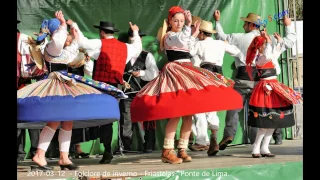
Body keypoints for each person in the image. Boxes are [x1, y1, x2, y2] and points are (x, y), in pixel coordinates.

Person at [130, 6, 243, 164]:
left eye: (181, 21)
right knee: (177, 112)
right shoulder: (169, 35)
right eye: (176, 20)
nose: (179, 23)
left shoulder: (182, 35)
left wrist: (194, 33)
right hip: (175, 72)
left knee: (189, 113)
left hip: (187, 70)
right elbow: (181, 39)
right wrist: (189, 26)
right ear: (169, 21)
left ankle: (182, 148)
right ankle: (167, 150)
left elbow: (188, 45)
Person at [17, 11, 127, 171]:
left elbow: (72, 53)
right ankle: (39, 155)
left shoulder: (59, 49)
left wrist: (75, 34)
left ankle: (64, 157)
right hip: (55, 84)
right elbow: (59, 41)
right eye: (62, 31)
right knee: (54, 120)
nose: (66, 33)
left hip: (65, 83)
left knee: (67, 121)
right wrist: (62, 24)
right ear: (56, 32)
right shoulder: (52, 46)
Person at [213, 10, 296, 150]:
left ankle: (229, 133)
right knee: (261, 110)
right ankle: (268, 138)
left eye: (245, 23)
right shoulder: (271, 39)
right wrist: (288, 25)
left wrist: (217, 21)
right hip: (263, 82)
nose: (243, 25)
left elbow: (221, 37)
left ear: (251, 25)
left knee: (234, 106)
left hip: (243, 78)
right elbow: (289, 42)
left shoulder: (239, 38)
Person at [76, 20, 142, 164]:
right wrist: (135, 32)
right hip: (115, 88)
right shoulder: (125, 47)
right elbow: (138, 47)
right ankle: (107, 149)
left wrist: (74, 25)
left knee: (102, 118)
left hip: (101, 87)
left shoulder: (100, 44)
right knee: (109, 118)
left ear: (101, 32)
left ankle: (106, 149)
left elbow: (82, 42)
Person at [189, 20, 242, 156]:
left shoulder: (199, 43)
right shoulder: (219, 43)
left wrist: (192, 38)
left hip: (205, 75)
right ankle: (213, 136)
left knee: (201, 107)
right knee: (212, 107)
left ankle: (203, 140)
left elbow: (189, 51)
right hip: (218, 77)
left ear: (201, 33)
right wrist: (225, 45)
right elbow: (236, 52)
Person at [246, 31, 302, 158]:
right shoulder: (260, 59)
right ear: (259, 47)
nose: (266, 45)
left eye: (266, 44)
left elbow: (277, 50)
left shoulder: (269, 55)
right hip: (266, 89)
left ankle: (265, 148)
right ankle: (256, 148)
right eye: (264, 44)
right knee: (265, 122)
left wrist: (279, 41)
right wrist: (269, 42)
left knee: (274, 121)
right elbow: (268, 55)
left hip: (274, 88)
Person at [118, 28, 159, 153]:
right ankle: (126, 147)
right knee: (126, 120)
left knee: (148, 119)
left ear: (140, 39)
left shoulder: (147, 56)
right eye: (131, 37)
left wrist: (140, 73)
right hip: (127, 94)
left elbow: (155, 73)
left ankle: (149, 146)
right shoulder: (123, 55)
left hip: (144, 94)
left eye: (136, 37)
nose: (134, 39)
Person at [17, 20, 47, 161]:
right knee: (29, 116)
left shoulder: (23, 38)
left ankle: (20, 152)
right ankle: (33, 150)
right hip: (25, 84)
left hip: (24, 84)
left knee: (24, 118)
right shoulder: (25, 38)